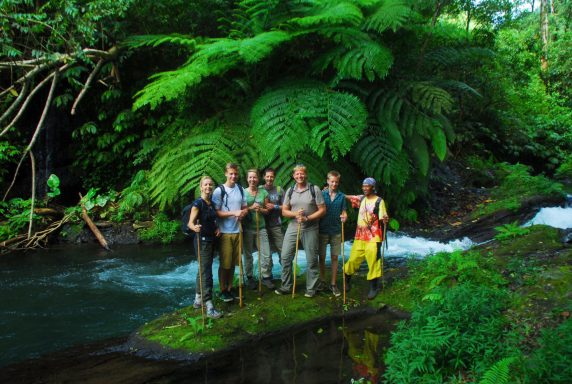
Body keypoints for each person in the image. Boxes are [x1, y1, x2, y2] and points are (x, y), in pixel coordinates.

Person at [275, 164, 326, 298]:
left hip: (311, 228)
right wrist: (296, 215)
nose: (299, 176)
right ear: (293, 176)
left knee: (311, 259)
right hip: (293, 227)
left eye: (302, 173)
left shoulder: (314, 189)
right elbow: (284, 211)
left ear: (306, 174)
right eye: (297, 174)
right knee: (285, 257)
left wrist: (307, 218)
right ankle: (286, 286)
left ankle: (311, 288)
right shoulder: (290, 191)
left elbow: (322, 210)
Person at [344, 177, 389, 300]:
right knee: (353, 260)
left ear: (373, 187)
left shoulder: (379, 201)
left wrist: (385, 220)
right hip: (359, 236)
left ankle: (373, 288)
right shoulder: (362, 198)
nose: (364, 188)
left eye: (367, 186)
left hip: (373, 238)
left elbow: (383, 218)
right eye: (363, 186)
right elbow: (349, 197)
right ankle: (346, 281)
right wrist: (333, 192)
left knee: (373, 262)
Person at [212, 163, 248, 303]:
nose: (233, 176)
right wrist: (234, 212)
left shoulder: (240, 189)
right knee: (225, 263)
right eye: (231, 173)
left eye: (235, 174)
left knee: (233, 263)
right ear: (226, 174)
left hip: (238, 230)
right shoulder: (219, 190)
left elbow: (244, 207)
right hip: (225, 232)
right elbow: (216, 212)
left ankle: (230, 287)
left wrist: (242, 214)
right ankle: (222, 290)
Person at [187, 176, 222, 319]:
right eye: (205, 185)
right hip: (201, 241)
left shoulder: (211, 203)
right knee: (206, 271)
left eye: (210, 185)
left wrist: (217, 228)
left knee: (202, 269)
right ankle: (209, 305)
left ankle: (197, 299)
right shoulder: (198, 204)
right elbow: (190, 223)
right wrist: (194, 227)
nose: (208, 187)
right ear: (201, 187)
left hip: (211, 239)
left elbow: (213, 220)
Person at [243, 169, 275, 290]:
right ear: (247, 179)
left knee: (266, 253)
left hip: (261, 227)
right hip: (248, 228)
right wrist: (251, 208)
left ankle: (266, 277)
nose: (252, 180)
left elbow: (267, 211)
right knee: (248, 254)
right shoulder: (243, 193)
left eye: (254, 177)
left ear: (258, 179)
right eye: (250, 177)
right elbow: (242, 209)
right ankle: (250, 277)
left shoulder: (263, 193)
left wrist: (260, 209)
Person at [318, 170, 347, 297]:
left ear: (338, 182)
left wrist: (345, 217)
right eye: (332, 181)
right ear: (328, 181)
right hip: (322, 230)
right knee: (322, 257)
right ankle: (322, 281)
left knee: (335, 257)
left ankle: (333, 283)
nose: (334, 184)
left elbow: (344, 211)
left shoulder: (341, 196)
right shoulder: (321, 194)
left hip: (336, 231)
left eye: (336, 182)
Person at [262, 168, 284, 275]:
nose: (269, 178)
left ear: (274, 177)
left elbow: (286, 207)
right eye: (267, 176)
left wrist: (275, 206)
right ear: (264, 177)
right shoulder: (259, 189)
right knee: (267, 252)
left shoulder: (279, 190)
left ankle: (286, 273)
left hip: (276, 225)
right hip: (263, 226)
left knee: (282, 250)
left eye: (271, 176)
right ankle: (267, 276)